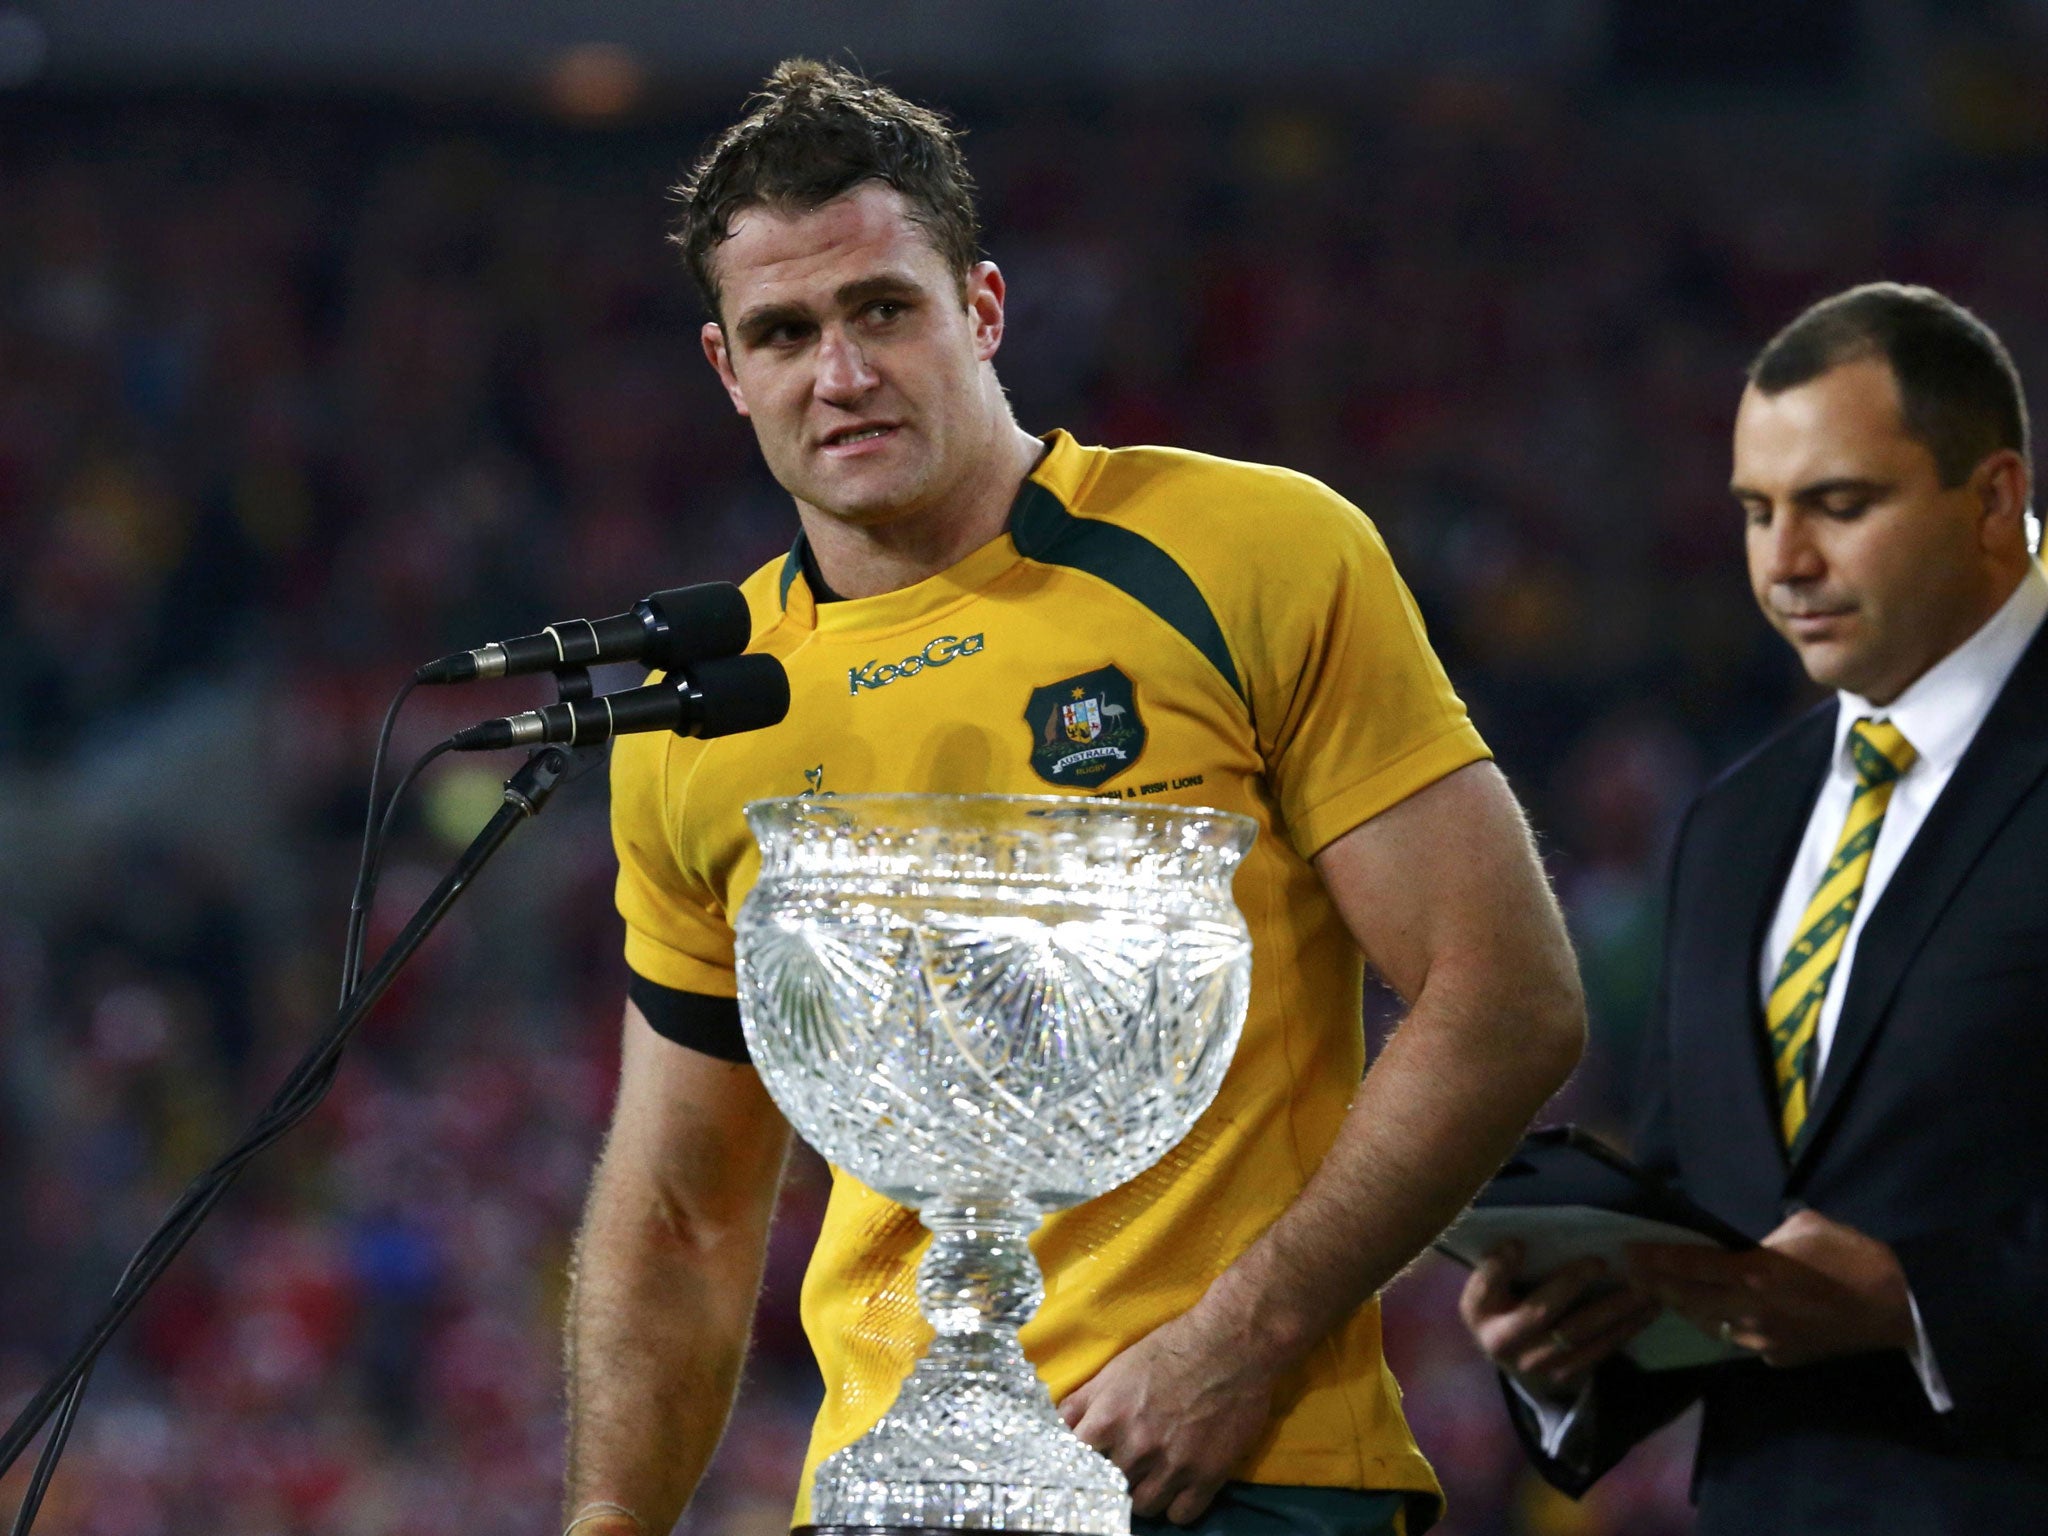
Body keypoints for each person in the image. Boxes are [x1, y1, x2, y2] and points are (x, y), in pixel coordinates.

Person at [561, 60, 1585, 1536]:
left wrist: (1233, 1349)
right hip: (886, 1494)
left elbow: (1506, 997)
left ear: (980, 310)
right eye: (784, 333)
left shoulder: (1249, 550)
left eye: (881, 310)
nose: (839, 373)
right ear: (728, 372)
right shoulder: (704, 714)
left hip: (1233, 1470)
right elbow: (684, 1207)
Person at [1459, 282, 2048, 1534]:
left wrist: (1910, 1303)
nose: (1782, 563)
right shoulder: (1733, 822)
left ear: (1993, 497)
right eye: (1755, 513)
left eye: (1838, 505)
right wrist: (1573, 1344)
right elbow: (1707, 1209)